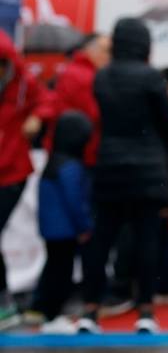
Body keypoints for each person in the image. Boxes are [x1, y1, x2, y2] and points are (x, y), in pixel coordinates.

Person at [77, 17, 168, 334]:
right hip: (148, 168)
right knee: (147, 238)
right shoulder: (152, 78)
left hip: (109, 166)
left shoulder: (103, 77)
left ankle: (91, 310)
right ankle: (145, 310)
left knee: (102, 239)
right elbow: (167, 126)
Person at [0, 29, 52, 329]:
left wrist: (37, 117)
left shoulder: (21, 83)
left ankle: (5, 302)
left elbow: (49, 100)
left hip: (12, 172)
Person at [34, 111, 94, 334]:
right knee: (61, 272)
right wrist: (84, 226)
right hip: (65, 230)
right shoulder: (70, 166)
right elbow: (74, 200)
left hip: (51, 229)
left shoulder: (53, 162)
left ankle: (47, 311)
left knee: (53, 269)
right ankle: (53, 315)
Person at [51, 32, 109, 165]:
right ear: (90, 50)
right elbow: (95, 114)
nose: (109, 56)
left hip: (73, 150)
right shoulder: (85, 77)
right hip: (80, 153)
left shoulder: (80, 71)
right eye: (106, 51)